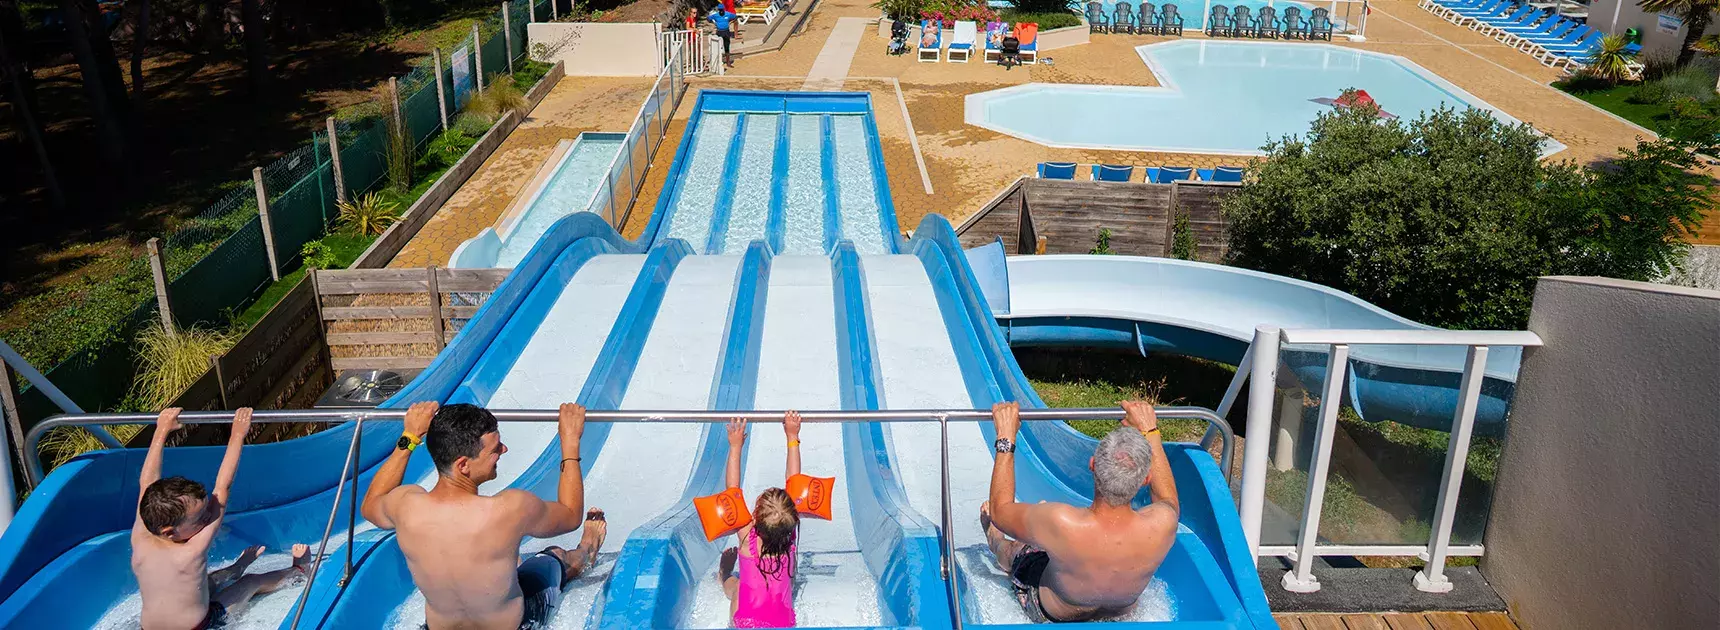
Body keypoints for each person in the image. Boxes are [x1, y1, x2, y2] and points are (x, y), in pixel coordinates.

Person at [361, 402, 607, 630]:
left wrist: (410, 436)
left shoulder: (405, 505)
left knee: (508, 559)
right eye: (494, 449)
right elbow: (571, 515)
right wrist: (570, 441)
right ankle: (586, 550)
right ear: (463, 466)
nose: (504, 449)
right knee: (554, 555)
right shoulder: (510, 509)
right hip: (519, 625)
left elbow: (370, 505)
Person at [981, 400, 1179, 623]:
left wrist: (1006, 437)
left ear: (1092, 465)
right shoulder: (1163, 523)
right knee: (1046, 531)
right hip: (1119, 615)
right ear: (1146, 479)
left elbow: (1000, 511)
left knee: (1022, 550)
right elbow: (1167, 496)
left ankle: (996, 542)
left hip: (1055, 613)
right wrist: (1149, 430)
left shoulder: (1061, 522)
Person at [132, 407, 315, 630]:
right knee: (250, 582)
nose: (207, 517)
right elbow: (222, 488)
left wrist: (161, 429)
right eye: (200, 518)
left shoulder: (141, 536)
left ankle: (237, 567)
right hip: (204, 626)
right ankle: (298, 571)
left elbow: (147, 484)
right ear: (170, 531)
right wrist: (238, 434)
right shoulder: (191, 551)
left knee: (208, 581)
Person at [717, 412, 804, 628]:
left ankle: (724, 575)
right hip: (783, 622)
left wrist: (735, 446)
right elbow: (794, 480)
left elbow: (732, 491)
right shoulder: (790, 532)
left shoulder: (747, 538)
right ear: (792, 515)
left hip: (744, 621)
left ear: (755, 516)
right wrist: (792, 435)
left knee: (738, 586)